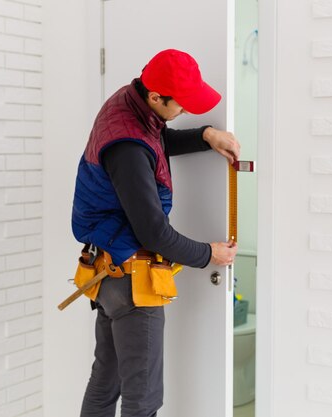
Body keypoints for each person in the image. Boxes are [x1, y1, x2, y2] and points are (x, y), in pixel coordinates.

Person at [71, 49, 239, 417]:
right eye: (181, 104)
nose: (186, 110)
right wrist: (210, 254)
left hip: (109, 269)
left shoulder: (127, 106)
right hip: (132, 279)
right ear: (155, 97)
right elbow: (154, 233)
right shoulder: (128, 146)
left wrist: (206, 135)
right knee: (143, 399)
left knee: (106, 382)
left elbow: (156, 141)